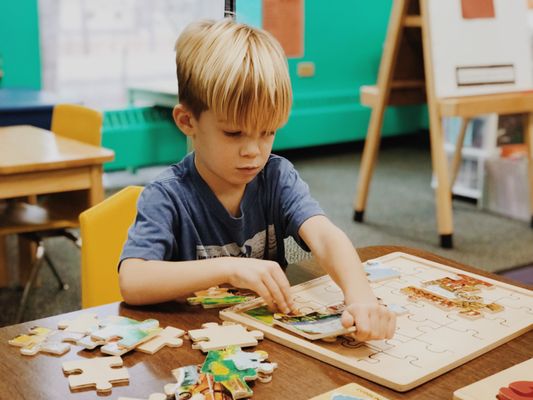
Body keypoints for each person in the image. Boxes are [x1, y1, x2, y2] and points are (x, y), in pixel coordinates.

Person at [119, 18, 396, 341]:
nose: (253, 151)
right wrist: (229, 267)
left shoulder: (276, 177)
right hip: (187, 346)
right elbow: (133, 280)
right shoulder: (167, 195)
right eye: (234, 133)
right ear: (187, 120)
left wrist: (361, 298)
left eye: (268, 132)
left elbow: (324, 236)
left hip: (264, 342)